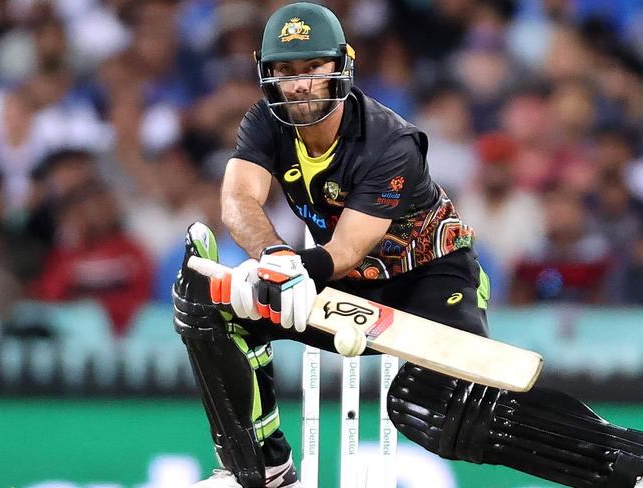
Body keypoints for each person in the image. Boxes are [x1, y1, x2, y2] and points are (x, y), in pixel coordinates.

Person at [172, 3, 643, 487]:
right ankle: (262, 469)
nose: (299, 84)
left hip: (432, 278)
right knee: (207, 303)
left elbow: (351, 245)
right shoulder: (265, 123)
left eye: (313, 68)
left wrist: (297, 271)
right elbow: (238, 200)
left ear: (341, 66)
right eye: (285, 71)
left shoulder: (388, 141)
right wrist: (274, 258)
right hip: (347, 286)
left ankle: (629, 462)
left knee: (434, 407)